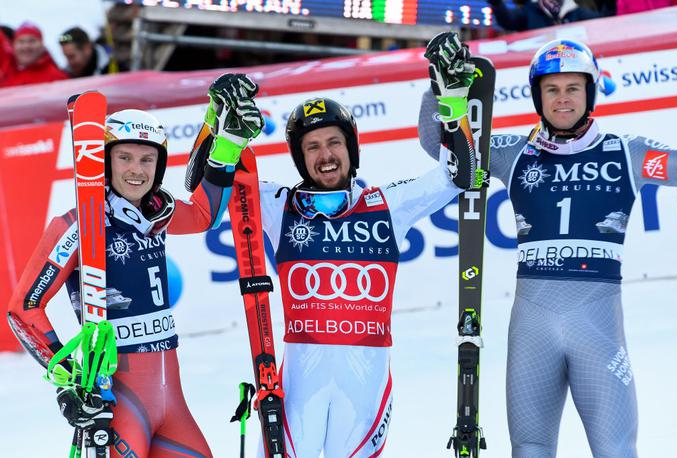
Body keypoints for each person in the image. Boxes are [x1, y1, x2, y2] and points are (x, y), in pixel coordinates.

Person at [420, 34, 677, 457]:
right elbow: (444, 148)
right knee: (530, 450)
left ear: (590, 92)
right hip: (532, 326)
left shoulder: (626, 153)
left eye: (572, 88)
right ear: (537, 96)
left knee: (616, 450)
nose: (562, 99)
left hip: (598, 328)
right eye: (551, 90)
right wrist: (441, 92)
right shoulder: (514, 152)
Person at [190, 72, 475, 456]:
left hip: (366, 382)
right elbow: (202, 189)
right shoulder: (279, 205)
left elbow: (458, 177)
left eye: (334, 142)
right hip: (298, 383)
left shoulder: (387, 204)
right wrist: (216, 120)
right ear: (300, 158)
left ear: (352, 148)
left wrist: (454, 105)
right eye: (312, 147)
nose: (325, 155)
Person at [7, 76, 258, 457]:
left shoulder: (159, 213)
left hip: (172, 404)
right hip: (118, 406)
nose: (136, 170)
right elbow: (23, 309)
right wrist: (69, 379)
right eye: (124, 157)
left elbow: (205, 214)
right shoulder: (77, 226)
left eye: (147, 159)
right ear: (105, 160)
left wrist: (226, 144)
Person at [0, 22, 67, 87]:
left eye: (32, 41)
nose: (26, 46)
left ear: (42, 45)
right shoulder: (7, 73)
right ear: (13, 46)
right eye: (21, 41)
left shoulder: (56, 77)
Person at [488, 0, 602, 31]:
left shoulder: (577, 12)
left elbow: (603, 21)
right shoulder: (530, 10)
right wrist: (496, 3)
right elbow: (508, 21)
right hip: (541, 69)